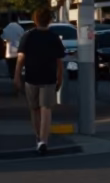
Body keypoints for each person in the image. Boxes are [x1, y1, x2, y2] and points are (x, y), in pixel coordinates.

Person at [14, 8, 65, 155]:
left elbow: (20, 59)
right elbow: (59, 62)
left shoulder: (27, 36)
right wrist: (59, 78)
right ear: (49, 20)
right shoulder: (54, 38)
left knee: (34, 109)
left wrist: (17, 76)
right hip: (49, 78)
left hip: (31, 78)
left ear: (35, 20)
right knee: (46, 109)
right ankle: (43, 140)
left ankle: (38, 138)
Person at [3, 13, 25, 85]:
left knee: (11, 70)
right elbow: (23, 39)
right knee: (18, 70)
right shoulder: (20, 28)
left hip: (9, 53)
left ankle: (13, 84)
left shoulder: (6, 28)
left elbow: (4, 39)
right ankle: (18, 84)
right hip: (18, 53)